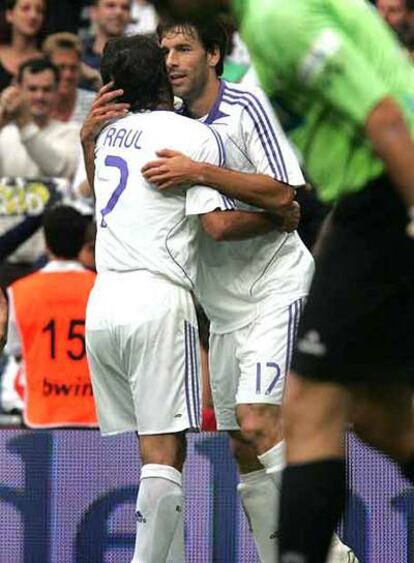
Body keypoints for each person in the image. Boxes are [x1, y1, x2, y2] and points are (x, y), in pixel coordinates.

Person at [154, 1, 414, 562]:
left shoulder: (271, 40)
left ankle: (328, 556)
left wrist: (203, 176)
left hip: (304, 265)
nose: (171, 59)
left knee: (283, 414)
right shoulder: (168, 123)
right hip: (231, 302)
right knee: (365, 416)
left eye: (183, 46)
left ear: (215, 53)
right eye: (164, 48)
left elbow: (286, 194)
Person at [83, 33, 286, 563]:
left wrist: (88, 140)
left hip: (103, 302)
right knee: (165, 453)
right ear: (161, 75)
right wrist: (279, 215)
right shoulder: (188, 135)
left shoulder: (105, 137)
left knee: (148, 455)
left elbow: (102, 197)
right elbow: (217, 224)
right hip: (157, 298)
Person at [3, 205, 97, 427]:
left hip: (43, 410)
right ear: (82, 242)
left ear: (46, 245)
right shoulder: (102, 287)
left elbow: (15, 350)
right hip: (95, 412)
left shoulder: (19, 291)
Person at [0, 57, 80, 286]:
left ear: (57, 92)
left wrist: (24, 124)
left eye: (46, 89)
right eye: (32, 89)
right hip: (6, 259)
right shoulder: (4, 134)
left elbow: (59, 168)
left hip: (49, 262)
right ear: (18, 89)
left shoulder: (71, 133)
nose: (39, 96)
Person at [42, 32, 96, 124]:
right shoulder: (35, 102)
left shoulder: (94, 105)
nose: (68, 75)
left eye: (73, 68)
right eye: (61, 67)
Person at [80, 0, 131, 89]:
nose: (119, 12)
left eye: (125, 7)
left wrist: (95, 77)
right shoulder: (77, 52)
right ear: (93, 12)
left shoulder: (139, 57)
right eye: (110, 6)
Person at [0, 0, 46, 91]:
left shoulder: (48, 60)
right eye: (25, 8)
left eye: (39, 10)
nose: (33, 16)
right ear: (9, 15)